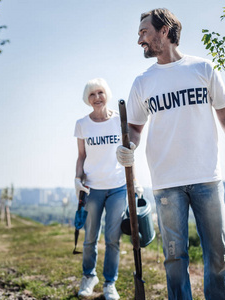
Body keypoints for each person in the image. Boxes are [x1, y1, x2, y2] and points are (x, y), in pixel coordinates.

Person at [116, 8, 225, 300]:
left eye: (144, 32)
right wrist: (128, 146)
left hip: (207, 176)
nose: (139, 39)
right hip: (167, 180)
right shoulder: (143, 82)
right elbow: (135, 128)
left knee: (218, 253)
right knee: (174, 257)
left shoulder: (203, 69)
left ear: (163, 30)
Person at [74, 78, 143, 300]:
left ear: (107, 94)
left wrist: (136, 181)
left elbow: (128, 153)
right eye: (92, 94)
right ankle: (88, 276)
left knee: (113, 238)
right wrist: (77, 179)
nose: (96, 98)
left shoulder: (120, 121)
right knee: (90, 238)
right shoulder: (82, 124)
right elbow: (81, 156)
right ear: (87, 98)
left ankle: (109, 283)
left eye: (100, 92)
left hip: (118, 187)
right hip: (92, 188)